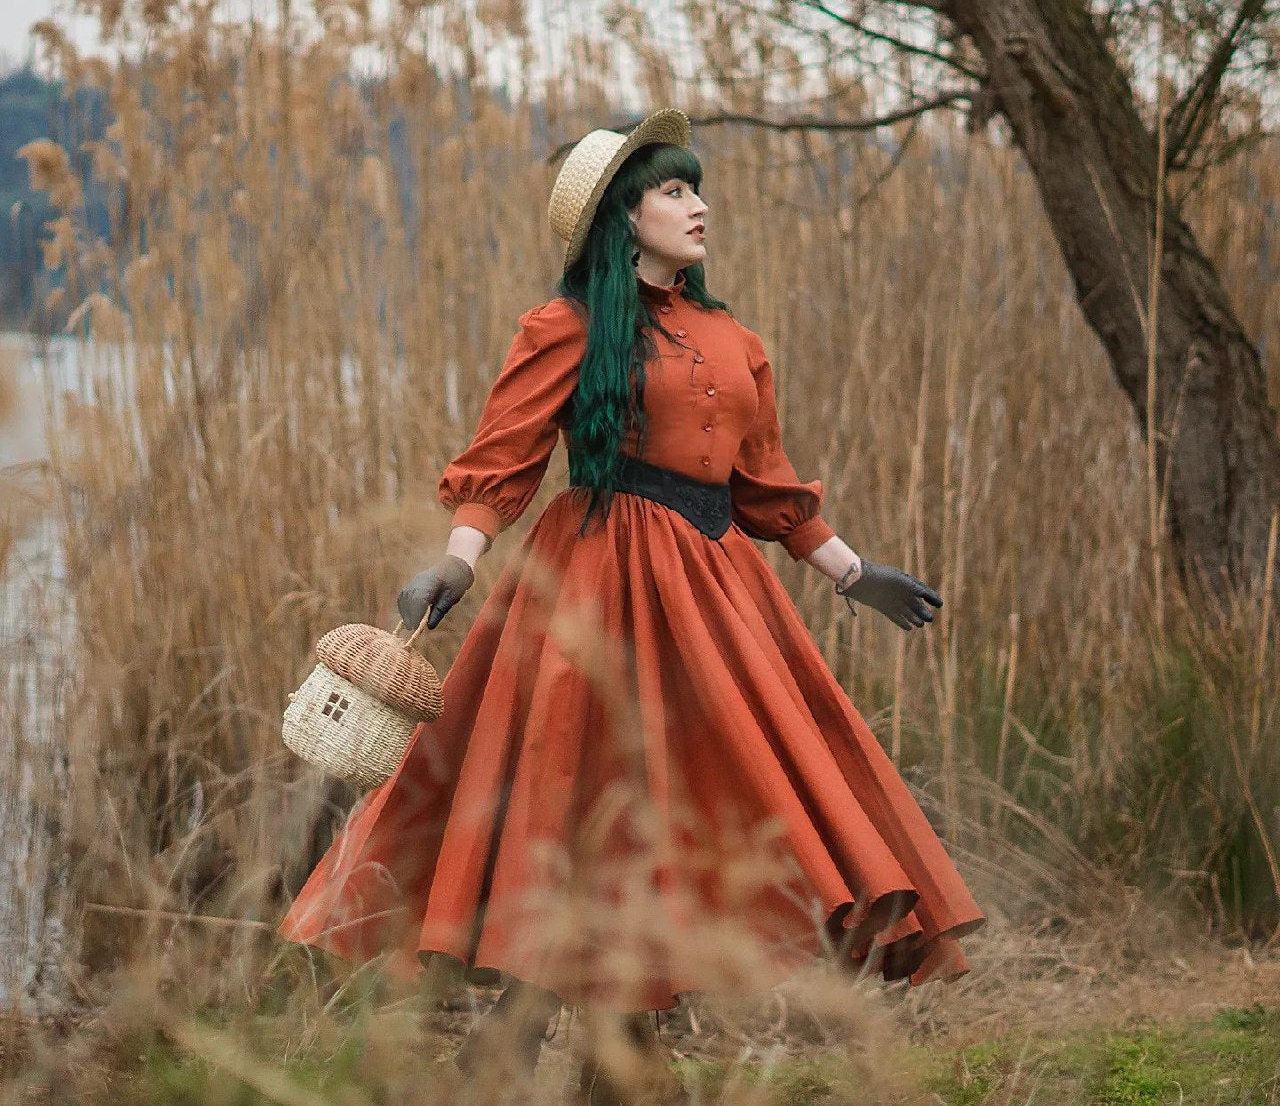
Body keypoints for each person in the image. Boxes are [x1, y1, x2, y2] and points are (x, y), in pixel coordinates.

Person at [277, 109, 984, 1103]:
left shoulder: (735, 339)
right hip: (593, 585)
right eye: (672, 190)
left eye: (695, 188)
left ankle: (620, 1060)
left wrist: (850, 570)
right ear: (623, 215)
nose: (697, 206)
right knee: (573, 801)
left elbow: (764, 486)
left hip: (714, 592)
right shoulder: (562, 326)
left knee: (683, 810)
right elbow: (505, 458)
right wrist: (457, 561)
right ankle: (534, 1052)